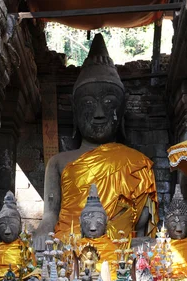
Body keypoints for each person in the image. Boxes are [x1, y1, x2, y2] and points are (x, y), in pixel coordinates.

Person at [33, 33, 158, 250]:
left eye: (109, 102)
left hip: (120, 248)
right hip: (70, 246)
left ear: (121, 111)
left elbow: (141, 225)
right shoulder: (58, 162)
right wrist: (43, 228)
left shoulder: (137, 164)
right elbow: (50, 214)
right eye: (88, 103)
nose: (99, 113)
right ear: (75, 112)